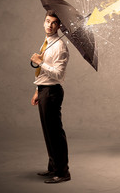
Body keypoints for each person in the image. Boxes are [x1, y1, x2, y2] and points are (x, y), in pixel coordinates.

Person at [30, 10, 71, 184]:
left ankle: (63, 172)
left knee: (55, 133)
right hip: (44, 90)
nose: (49, 25)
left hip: (53, 93)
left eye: (54, 23)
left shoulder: (61, 47)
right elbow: (45, 72)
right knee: (48, 132)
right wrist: (37, 90)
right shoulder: (48, 42)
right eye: (47, 21)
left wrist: (40, 63)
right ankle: (53, 167)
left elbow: (59, 75)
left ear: (59, 26)